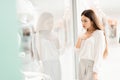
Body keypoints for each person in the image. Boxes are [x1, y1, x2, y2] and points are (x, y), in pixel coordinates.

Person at [75, 9, 108, 80]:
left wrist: (95, 72)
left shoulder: (98, 34)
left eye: (85, 21)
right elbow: (77, 51)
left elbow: (99, 53)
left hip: (91, 66)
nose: (83, 23)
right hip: (81, 64)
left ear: (92, 21)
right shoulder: (82, 32)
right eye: (82, 21)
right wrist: (80, 38)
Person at [35, 12, 61, 80]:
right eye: (48, 23)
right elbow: (37, 54)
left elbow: (59, 50)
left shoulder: (55, 35)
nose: (51, 25)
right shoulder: (38, 36)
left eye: (52, 22)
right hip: (45, 64)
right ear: (42, 23)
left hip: (56, 63)